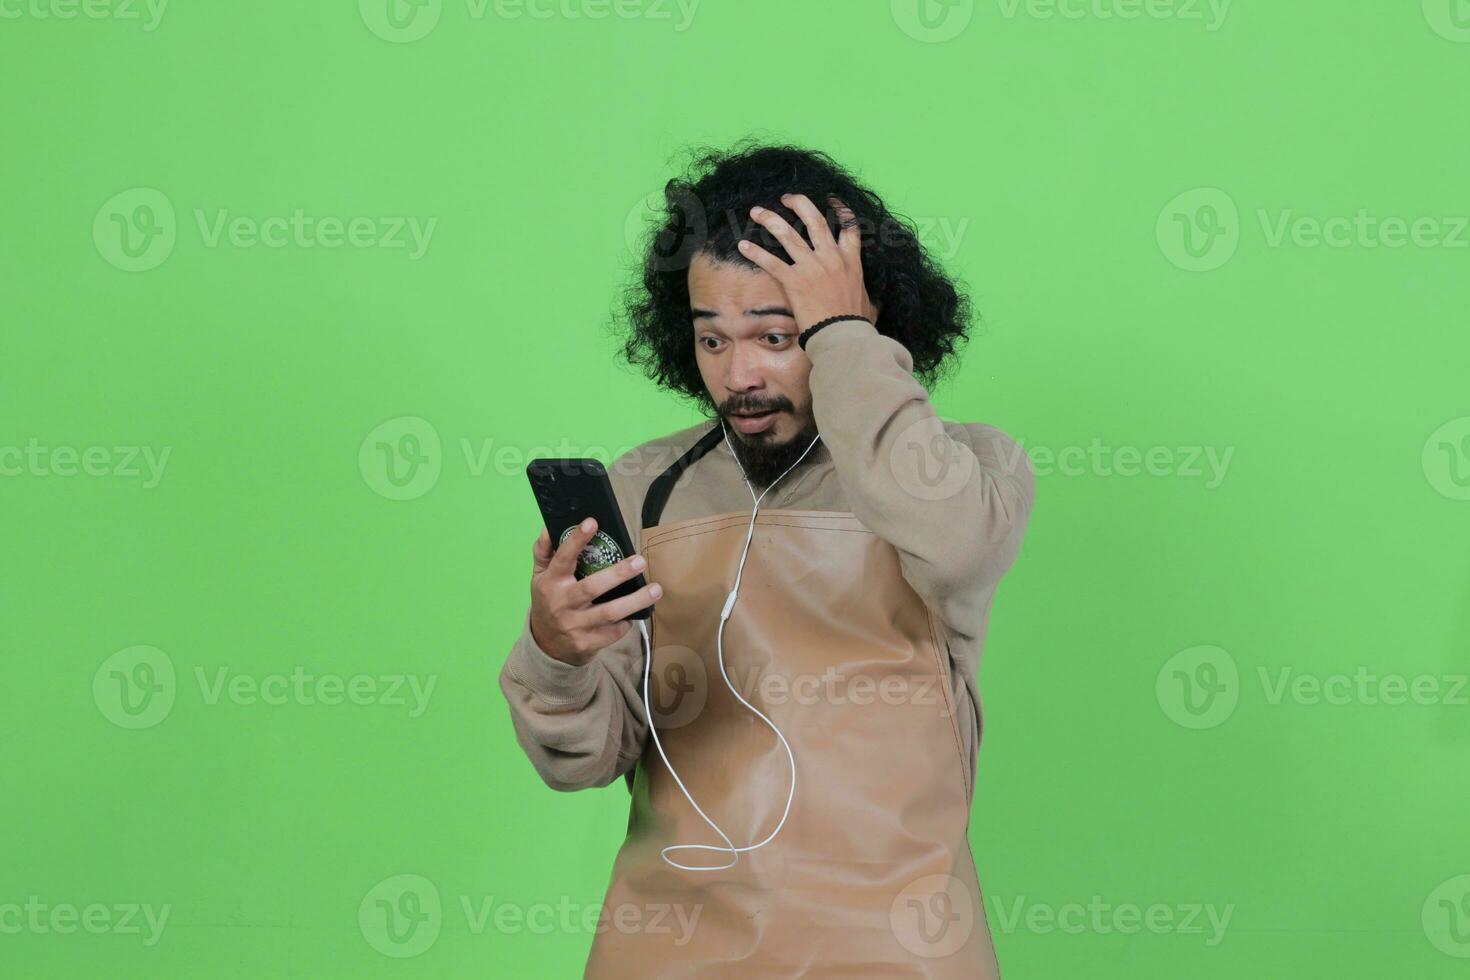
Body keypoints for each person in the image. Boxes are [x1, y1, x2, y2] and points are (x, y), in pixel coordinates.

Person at [499, 141, 1036, 978]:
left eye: (778, 335)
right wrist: (555, 654)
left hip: (898, 952)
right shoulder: (645, 487)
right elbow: (586, 760)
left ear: (863, 321)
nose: (740, 374)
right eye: (712, 341)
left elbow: (952, 540)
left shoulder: (967, 471)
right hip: (673, 950)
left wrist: (846, 337)